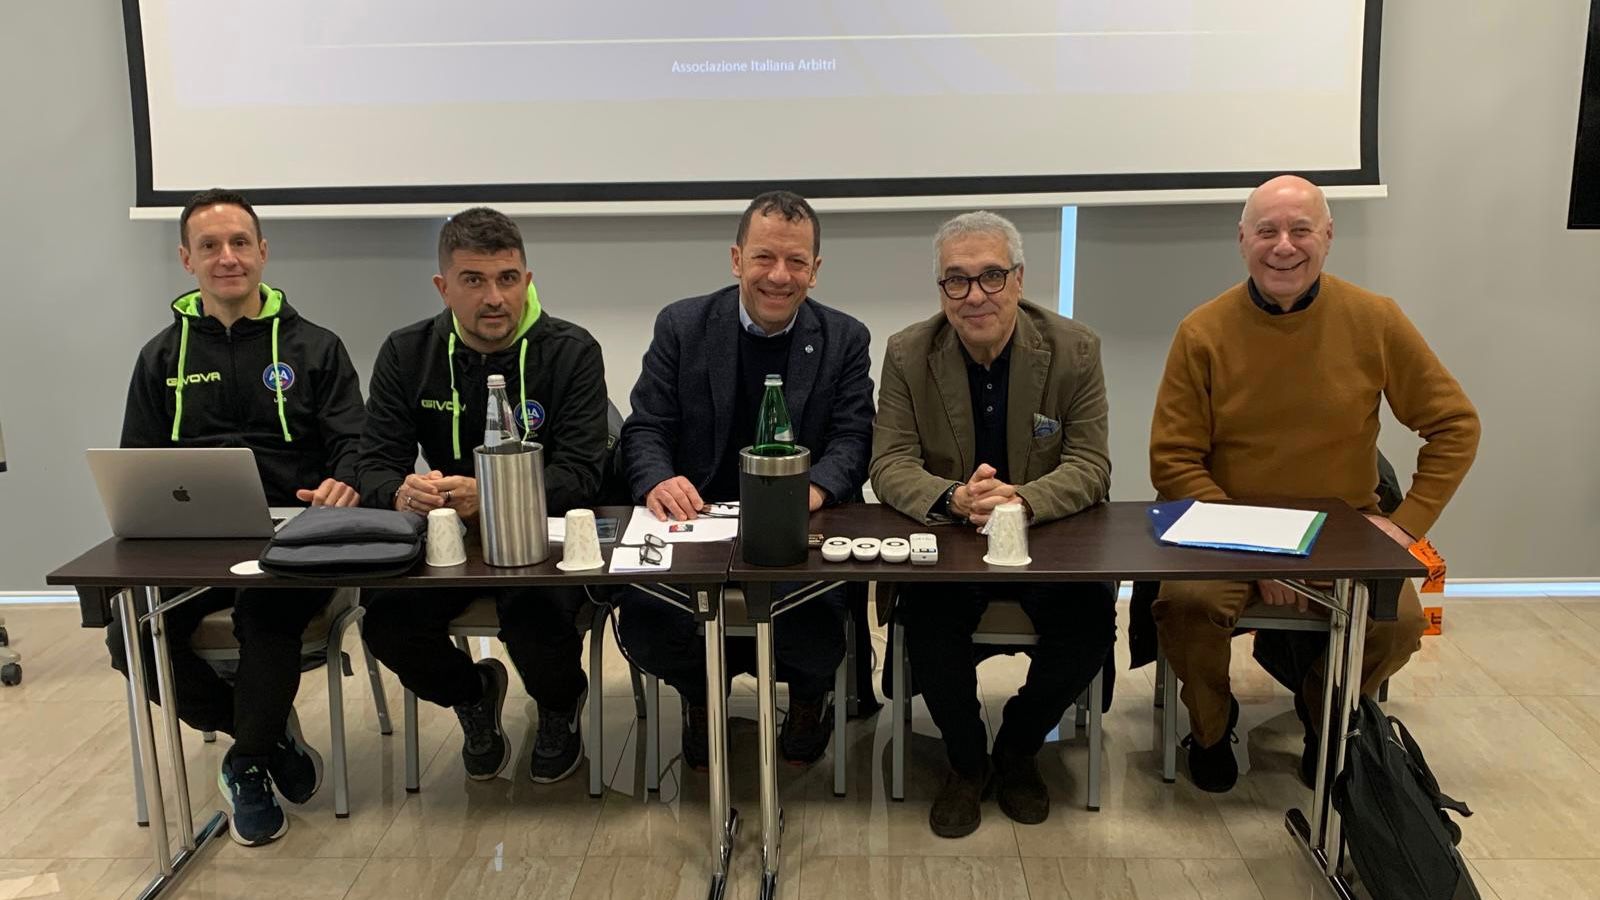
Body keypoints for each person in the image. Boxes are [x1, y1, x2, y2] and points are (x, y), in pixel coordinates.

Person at [1149, 174, 1481, 793]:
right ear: (1242, 240)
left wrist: (1405, 527)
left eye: (1300, 230)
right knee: (1188, 605)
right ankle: (1212, 730)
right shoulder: (1202, 331)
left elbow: (1455, 425)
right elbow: (1173, 461)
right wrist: (1262, 552)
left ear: (1328, 237)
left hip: (1343, 531)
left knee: (1399, 624)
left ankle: (1325, 716)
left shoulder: (1376, 319)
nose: (1284, 246)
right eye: (1267, 231)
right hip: (1229, 531)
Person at [108, 188, 367, 846]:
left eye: (239, 243)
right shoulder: (159, 358)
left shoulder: (317, 347)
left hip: (295, 541)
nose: (227, 257)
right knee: (129, 634)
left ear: (262, 252)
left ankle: (247, 764)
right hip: (193, 542)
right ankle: (262, 734)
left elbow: (356, 447)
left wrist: (343, 481)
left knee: (265, 614)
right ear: (186, 259)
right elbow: (136, 462)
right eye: (210, 246)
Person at [870, 210, 1115, 838]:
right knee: (929, 625)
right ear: (941, 290)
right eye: (956, 280)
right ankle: (965, 759)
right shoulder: (907, 353)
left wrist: (1022, 501)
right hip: (955, 537)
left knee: (1089, 627)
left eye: (991, 276)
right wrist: (954, 497)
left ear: (1019, 279)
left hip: (1043, 538)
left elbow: (1091, 465)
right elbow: (889, 463)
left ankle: (1018, 745)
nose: (974, 294)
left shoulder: (1074, 349)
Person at [615, 190, 874, 770]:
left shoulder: (844, 338)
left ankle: (808, 701)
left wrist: (811, 491)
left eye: (796, 261)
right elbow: (647, 426)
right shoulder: (682, 326)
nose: (779, 276)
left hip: (799, 522)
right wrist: (658, 480)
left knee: (815, 617)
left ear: (815, 269)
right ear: (737, 259)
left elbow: (854, 438)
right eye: (764, 257)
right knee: (651, 615)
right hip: (696, 519)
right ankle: (699, 697)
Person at [357, 207, 609, 785]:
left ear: (527, 279)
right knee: (387, 621)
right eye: (474, 280)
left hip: (538, 539)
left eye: (507, 279)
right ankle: (472, 693)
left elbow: (582, 474)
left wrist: (493, 495)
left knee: (535, 617)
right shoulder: (406, 352)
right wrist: (402, 493)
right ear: (443, 287)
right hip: (446, 538)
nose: (494, 298)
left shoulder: (571, 350)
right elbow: (374, 465)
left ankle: (558, 707)